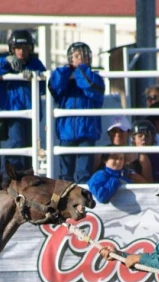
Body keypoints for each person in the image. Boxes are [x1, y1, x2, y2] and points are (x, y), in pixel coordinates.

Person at [0, 29, 45, 171]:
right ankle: (14, 176)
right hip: (13, 114)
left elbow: (44, 86)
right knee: (17, 144)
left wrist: (35, 75)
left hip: (33, 114)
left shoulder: (35, 64)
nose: (22, 52)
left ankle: (29, 177)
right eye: (18, 48)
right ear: (12, 49)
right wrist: (6, 61)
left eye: (25, 48)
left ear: (30, 48)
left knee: (32, 146)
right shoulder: (5, 64)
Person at [48, 42, 104, 183]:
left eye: (84, 55)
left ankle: (82, 203)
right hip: (66, 132)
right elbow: (54, 85)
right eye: (77, 55)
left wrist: (81, 70)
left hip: (87, 132)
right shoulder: (66, 79)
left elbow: (89, 86)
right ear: (70, 58)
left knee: (84, 174)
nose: (80, 58)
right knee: (65, 174)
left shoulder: (96, 77)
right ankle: (64, 203)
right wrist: (67, 70)